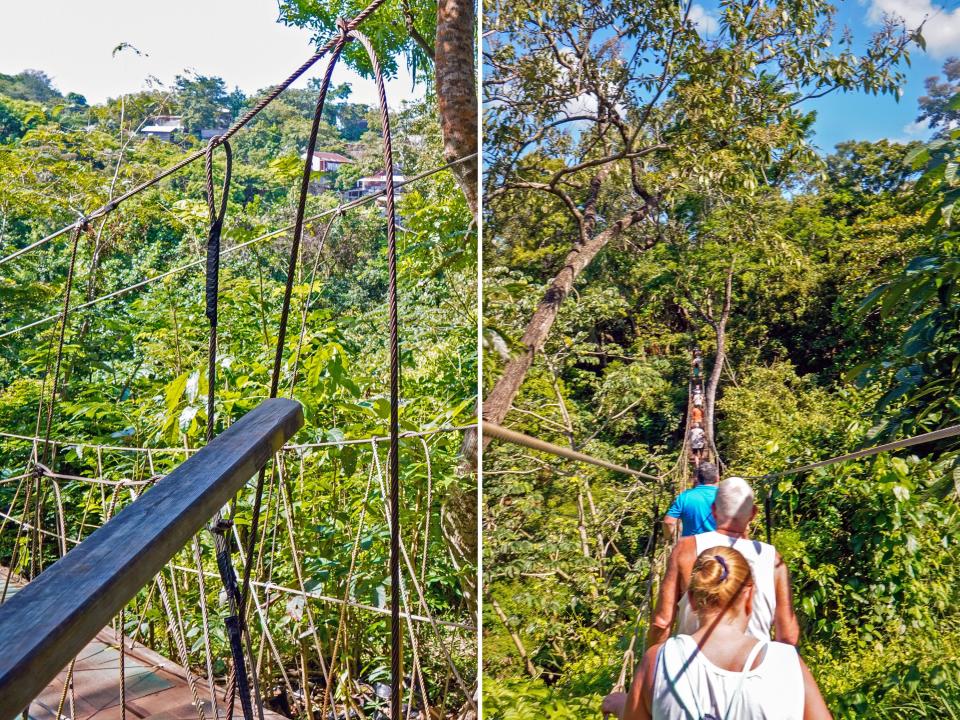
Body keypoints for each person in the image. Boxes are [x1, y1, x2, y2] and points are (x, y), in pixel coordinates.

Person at [601, 546, 831, 720]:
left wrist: (622, 705)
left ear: (690, 599)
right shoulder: (786, 663)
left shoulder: (656, 661)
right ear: (750, 596)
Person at [651, 477, 800, 647]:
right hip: (753, 667)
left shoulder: (686, 548)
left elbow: (661, 622)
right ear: (753, 514)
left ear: (713, 510)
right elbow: (788, 636)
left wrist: (653, 663)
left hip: (692, 666)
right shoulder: (772, 558)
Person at [663, 462, 718, 540]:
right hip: (718, 547)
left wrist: (668, 537)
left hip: (691, 547)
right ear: (717, 478)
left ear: (697, 479)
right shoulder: (725, 496)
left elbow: (669, 522)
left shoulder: (685, 496)